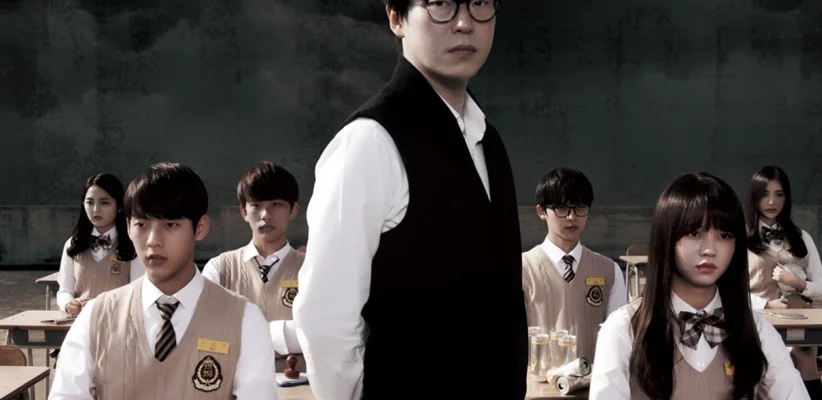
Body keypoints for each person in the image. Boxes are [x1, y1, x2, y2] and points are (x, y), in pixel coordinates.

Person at [293, 0, 527, 398]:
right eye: (440, 4)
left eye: (480, 3)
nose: (464, 22)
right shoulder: (369, 142)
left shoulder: (487, 138)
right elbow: (324, 319)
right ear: (396, 17)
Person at [49, 162, 277, 399]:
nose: (153, 240)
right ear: (128, 227)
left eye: (170, 224)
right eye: (141, 224)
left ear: (200, 228)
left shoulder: (244, 320)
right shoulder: (96, 317)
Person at [588, 172, 809, 399]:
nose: (709, 249)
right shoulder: (624, 330)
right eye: (694, 233)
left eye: (724, 235)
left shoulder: (757, 330)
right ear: (667, 238)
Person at [202, 161, 306, 373]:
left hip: (299, 386)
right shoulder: (219, 268)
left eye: (276, 204)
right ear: (243, 211)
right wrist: (287, 336)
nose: (265, 214)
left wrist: (245, 336)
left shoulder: (310, 269)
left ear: (293, 209)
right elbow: (206, 334)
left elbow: (320, 332)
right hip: (235, 386)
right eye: (256, 205)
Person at [522, 167, 626, 362]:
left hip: (594, 379)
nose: (572, 217)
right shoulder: (522, 269)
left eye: (580, 207)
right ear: (542, 211)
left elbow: (620, 337)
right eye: (561, 208)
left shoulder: (609, 270)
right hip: (539, 378)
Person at [745, 165, 822, 400]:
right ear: (754, 198)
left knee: (802, 352)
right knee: (769, 359)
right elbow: (729, 291)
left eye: (779, 194)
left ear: (787, 197)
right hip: (757, 322)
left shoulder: (802, 237)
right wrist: (766, 305)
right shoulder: (739, 238)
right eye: (764, 194)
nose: (772, 202)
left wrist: (800, 284)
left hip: (798, 324)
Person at [57, 173, 144, 317]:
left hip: (119, 322)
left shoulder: (133, 245)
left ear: (119, 206)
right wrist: (68, 304)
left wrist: (101, 305)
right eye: (90, 202)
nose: (95, 210)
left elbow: (138, 294)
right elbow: (64, 291)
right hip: (81, 323)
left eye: (104, 203)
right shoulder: (73, 244)